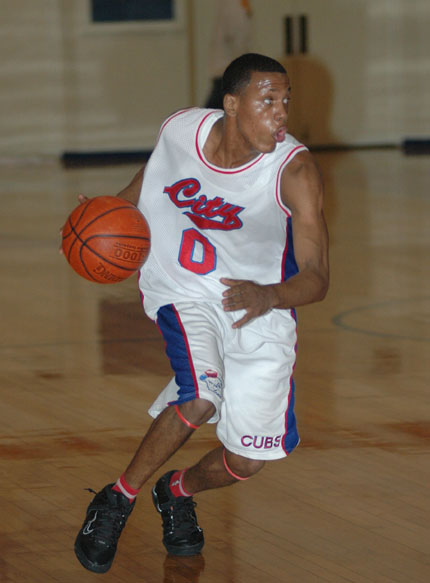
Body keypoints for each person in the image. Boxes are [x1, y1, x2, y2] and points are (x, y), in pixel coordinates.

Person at [73, 53, 329, 574]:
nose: (281, 113)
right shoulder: (181, 130)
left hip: (261, 305)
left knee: (248, 460)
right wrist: (107, 216)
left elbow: (318, 277)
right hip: (184, 289)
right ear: (231, 104)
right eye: (267, 100)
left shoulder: (295, 171)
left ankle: (176, 491)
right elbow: (154, 176)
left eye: (285, 101)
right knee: (200, 396)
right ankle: (116, 499)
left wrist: (268, 296)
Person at [205, 0, 253, 109]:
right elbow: (238, 40)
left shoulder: (240, 4)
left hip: (228, 69)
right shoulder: (232, 5)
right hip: (228, 69)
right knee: (216, 110)